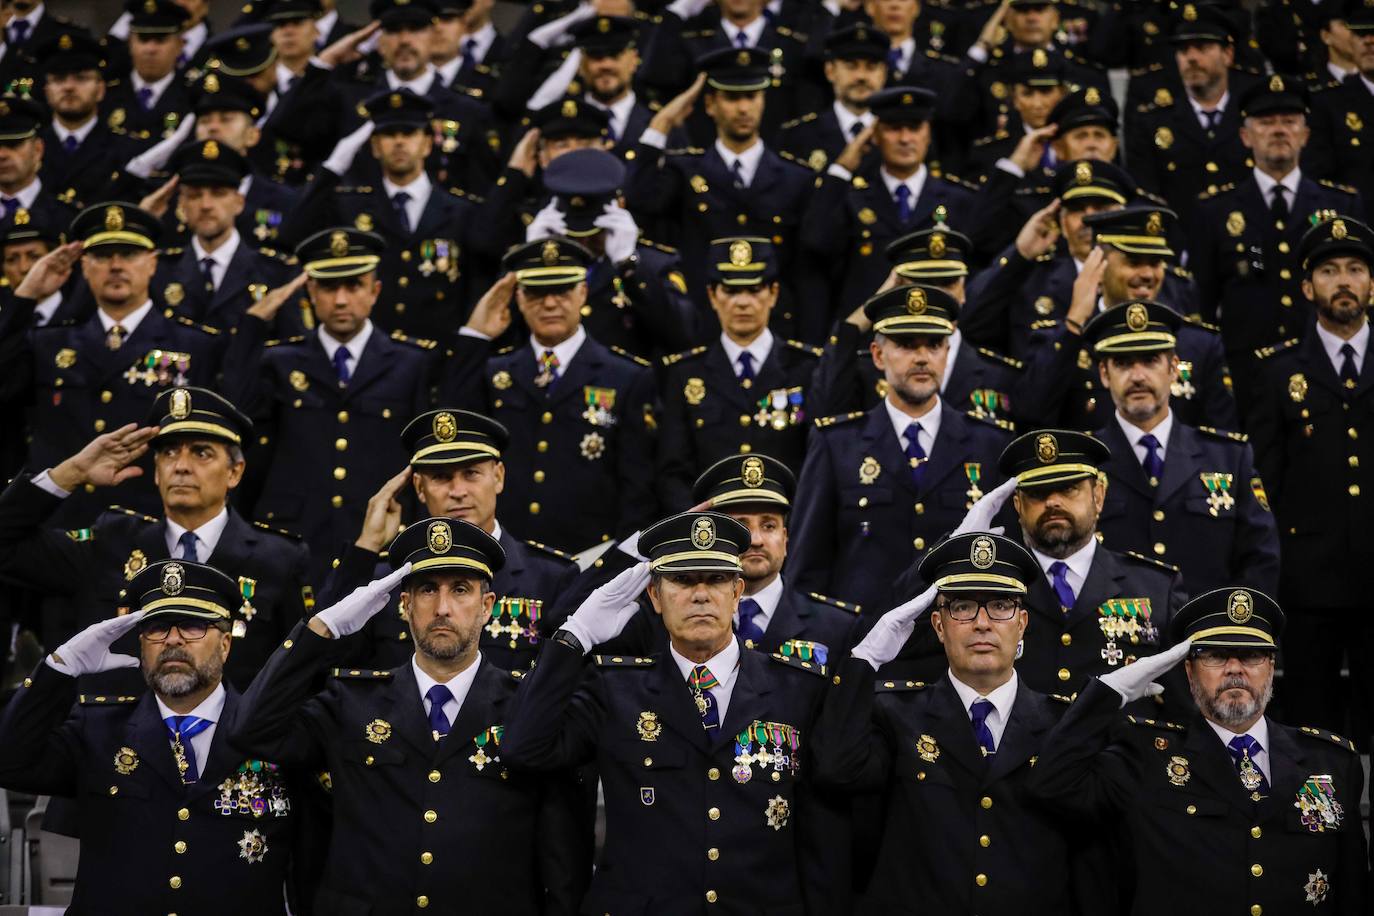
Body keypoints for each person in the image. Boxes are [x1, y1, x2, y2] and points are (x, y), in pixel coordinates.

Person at [231, 517, 587, 914]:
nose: (442, 608)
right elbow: (251, 729)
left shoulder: (525, 706)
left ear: (488, 607)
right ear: (405, 605)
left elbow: (559, 851)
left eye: (461, 590)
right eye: (427, 590)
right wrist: (321, 628)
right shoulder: (350, 701)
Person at [501, 510, 849, 914]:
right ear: (654, 596)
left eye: (716, 579)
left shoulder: (798, 688)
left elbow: (821, 833)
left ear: (737, 592)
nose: (700, 594)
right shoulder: (614, 689)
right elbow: (524, 749)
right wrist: (575, 637)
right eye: (682, 580)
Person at [1028, 588, 1371, 915]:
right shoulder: (1146, 755)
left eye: (1251, 655)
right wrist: (1109, 692)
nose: (1235, 668)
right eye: (1217, 656)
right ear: (1189, 672)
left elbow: (1352, 897)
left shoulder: (1331, 762)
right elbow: (1052, 784)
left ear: (1270, 666)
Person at [813, 532, 1098, 914]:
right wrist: (865, 660)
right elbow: (836, 769)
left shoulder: (1061, 723)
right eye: (962, 607)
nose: (982, 623)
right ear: (938, 625)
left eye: (1000, 606)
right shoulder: (896, 714)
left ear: (1023, 623)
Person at [0, 560, 298, 915]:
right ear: (141, 646)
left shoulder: (278, 732)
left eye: (192, 626)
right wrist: (59, 668)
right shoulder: (98, 727)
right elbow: (10, 763)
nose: (172, 639)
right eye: (156, 628)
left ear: (225, 645)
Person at [0, 388, 312, 692]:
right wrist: (72, 472)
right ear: (157, 472)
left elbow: (297, 674)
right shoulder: (111, 541)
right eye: (169, 452)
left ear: (235, 472)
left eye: (201, 453)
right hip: (115, 741)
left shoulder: (279, 559)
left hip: (228, 740)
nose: (181, 466)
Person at [219, 227, 437, 580]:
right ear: (310, 291)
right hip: (294, 538)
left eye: (353, 287)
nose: (340, 300)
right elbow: (233, 415)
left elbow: (422, 457)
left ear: (375, 291)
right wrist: (253, 326)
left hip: (378, 539)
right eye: (329, 287)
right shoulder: (279, 361)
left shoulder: (410, 363)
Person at [787, 284, 1014, 614]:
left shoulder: (989, 443)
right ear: (878, 356)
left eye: (934, 344)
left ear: (948, 352)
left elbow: (1006, 555)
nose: (922, 357)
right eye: (907, 345)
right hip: (862, 643)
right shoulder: (837, 444)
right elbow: (807, 566)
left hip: (954, 640)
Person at [0, 202, 222, 523]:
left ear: (152, 264)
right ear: (84, 266)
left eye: (129, 254)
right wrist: (26, 296)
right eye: (103, 256)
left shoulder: (196, 345)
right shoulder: (48, 342)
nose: (116, 266)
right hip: (59, 525)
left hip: (146, 524)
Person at [318, 408, 580, 672]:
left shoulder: (551, 578)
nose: (458, 491)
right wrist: (366, 546)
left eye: (471, 474)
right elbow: (322, 659)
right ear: (420, 488)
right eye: (441, 477)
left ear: (498, 476)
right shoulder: (385, 579)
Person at [444, 239, 659, 553]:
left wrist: (619, 562)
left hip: (590, 555)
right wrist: (476, 335)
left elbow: (637, 486)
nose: (549, 304)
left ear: (582, 292)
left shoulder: (626, 376)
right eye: (536, 292)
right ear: (518, 297)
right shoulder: (495, 372)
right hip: (506, 554)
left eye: (561, 291)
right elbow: (449, 426)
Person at [1247, 215, 1374, 738]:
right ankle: (1320, 821)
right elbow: (1264, 480)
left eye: (1354, 269)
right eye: (1328, 270)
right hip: (1308, 578)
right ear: (1306, 286)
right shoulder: (1277, 371)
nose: (1342, 280)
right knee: (1310, 720)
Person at [1082, 300, 1281, 599]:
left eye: (1150, 361)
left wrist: (1232, 634)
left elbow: (1260, 558)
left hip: (1211, 636)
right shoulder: (1084, 463)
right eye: (1123, 363)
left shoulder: (1229, 457)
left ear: (1174, 369)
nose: (1137, 376)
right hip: (1117, 638)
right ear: (1104, 374)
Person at [1192, 74, 1364, 388]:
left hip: (1324, 370)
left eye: (1289, 121)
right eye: (1266, 122)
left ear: (1306, 134)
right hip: (1246, 373)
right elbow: (1204, 300)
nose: (1279, 130)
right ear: (1245, 136)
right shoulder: (1215, 210)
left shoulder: (1341, 205)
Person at [278, 87, 489, 341]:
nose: (399, 142)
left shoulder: (461, 211)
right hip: (373, 357)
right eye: (389, 134)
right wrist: (332, 168)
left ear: (427, 143)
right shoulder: (349, 206)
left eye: (409, 133)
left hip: (439, 357)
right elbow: (290, 236)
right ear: (375, 146)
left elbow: (472, 290)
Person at [1016, 206, 1238, 430]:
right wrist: (1074, 323)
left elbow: (1221, 444)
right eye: (1134, 262)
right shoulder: (1066, 339)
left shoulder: (1198, 345)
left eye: (1155, 262)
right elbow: (1030, 414)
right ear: (1099, 264)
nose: (1148, 275)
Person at [624, 48, 815, 303]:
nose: (744, 108)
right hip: (703, 316)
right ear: (710, 104)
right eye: (732, 98)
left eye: (752, 96)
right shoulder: (685, 170)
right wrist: (662, 122)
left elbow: (806, 267)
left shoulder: (796, 177)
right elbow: (639, 197)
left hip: (773, 317)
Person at [657, 236, 822, 507]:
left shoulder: (807, 368)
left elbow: (815, 466)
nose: (743, 302)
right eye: (731, 291)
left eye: (754, 289)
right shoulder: (684, 373)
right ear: (712, 295)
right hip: (708, 535)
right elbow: (672, 472)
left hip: (786, 530)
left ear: (774, 293)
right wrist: (697, 529)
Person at [807, 223, 1024, 424]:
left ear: (963, 290)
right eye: (924, 284)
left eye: (947, 283)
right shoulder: (866, 368)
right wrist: (873, 308)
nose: (936, 296)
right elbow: (823, 414)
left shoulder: (1000, 375)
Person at [799, 86, 976, 328]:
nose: (905, 139)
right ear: (875, 134)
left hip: (934, 336)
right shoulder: (853, 198)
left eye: (914, 128)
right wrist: (842, 169)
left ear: (928, 133)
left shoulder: (959, 201)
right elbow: (816, 241)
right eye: (894, 129)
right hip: (866, 339)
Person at [148, 139, 303, 335]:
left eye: (218, 194)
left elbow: (294, 352)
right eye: (195, 195)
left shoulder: (278, 273)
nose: (206, 205)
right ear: (181, 204)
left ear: (239, 203)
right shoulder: (157, 271)